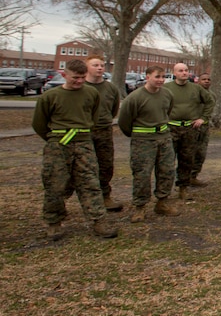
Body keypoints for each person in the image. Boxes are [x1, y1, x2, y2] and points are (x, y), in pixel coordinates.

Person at [32, 59, 119, 241]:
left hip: (84, 143)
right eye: (75, 78)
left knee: (90, 183)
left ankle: (98, 220)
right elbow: (39, 124)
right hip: (58, 144)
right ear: (64, 75)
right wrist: (55, 140)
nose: (79, 81)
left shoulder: (91, 94)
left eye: (82, 77)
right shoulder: (50, 96)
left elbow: (93, 118)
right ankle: (53, 222)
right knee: (55, 185)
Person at [118, 65, 181, 223]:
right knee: (142, 174)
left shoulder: (167, 94)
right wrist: (139, 134)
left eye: (163, 77)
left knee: (167, 171)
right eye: (157, 77)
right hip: (143, 140)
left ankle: (162, 202)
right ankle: (140, 206)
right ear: (147, 77)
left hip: (164, 138)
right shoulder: (135, 97)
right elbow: (125, 121)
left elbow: (167, 111)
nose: (160, 80)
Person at [164, 62, 214, 201]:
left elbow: (210, 102)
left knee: (186, 160)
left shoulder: (195, 89)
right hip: (171, 128)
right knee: (167, 161)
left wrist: (203, 118)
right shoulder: (166, 88)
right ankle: (164, 191)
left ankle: (183, 188)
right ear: (174, 73)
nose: (184, 73)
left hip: (189, 128)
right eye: (180, 70)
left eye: (186, 70)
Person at [85, 54, 123, 212]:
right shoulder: (82, 87)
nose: (100, 68)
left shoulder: (111, 88)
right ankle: (81, 199)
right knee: (81, 167)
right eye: (95, 65)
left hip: (104, 131)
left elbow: (114, 110)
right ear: (86, 67)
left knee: (106, 165)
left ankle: (105, 196)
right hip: (84, 132)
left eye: (101, 65)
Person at [191, 72, 214, 186]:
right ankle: (184, 179)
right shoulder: (192, 93)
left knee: (201, 153)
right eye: (204, 79)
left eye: (208, 79)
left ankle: (194, 176)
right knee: (189, 153)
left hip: (204, 127)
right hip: (192, 126)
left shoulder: (211, 95)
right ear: (198, 81)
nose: (206, 81)